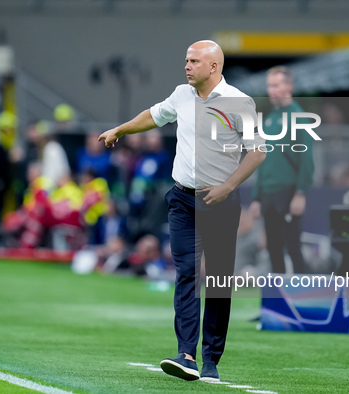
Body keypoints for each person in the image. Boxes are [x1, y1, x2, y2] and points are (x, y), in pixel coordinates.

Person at [98, 40, 266, 382]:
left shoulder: (240, 102)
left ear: (213, 67)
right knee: (187, 272)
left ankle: (211, 360)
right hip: (182, 199)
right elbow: (154, 116)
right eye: (186, 60)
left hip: (220, 200)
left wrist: (228, 187)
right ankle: (186, 354)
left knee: (217, 280)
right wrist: (120, 129)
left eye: (193, 61)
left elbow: (257, 151)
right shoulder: (181, 94)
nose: (186, 66)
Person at [250, 66, 314, 274]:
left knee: (293, 248)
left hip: (287, 191)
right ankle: (277, 301)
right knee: (272, 249)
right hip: (268, 193)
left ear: (289, 86)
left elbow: (307, 159)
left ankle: (304, 299)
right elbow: (262, 158)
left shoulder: (298, 116)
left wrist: (301, 193)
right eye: (270, 85)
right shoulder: (269, 119)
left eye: (276, 85)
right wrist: (257, 197)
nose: (272, 90)